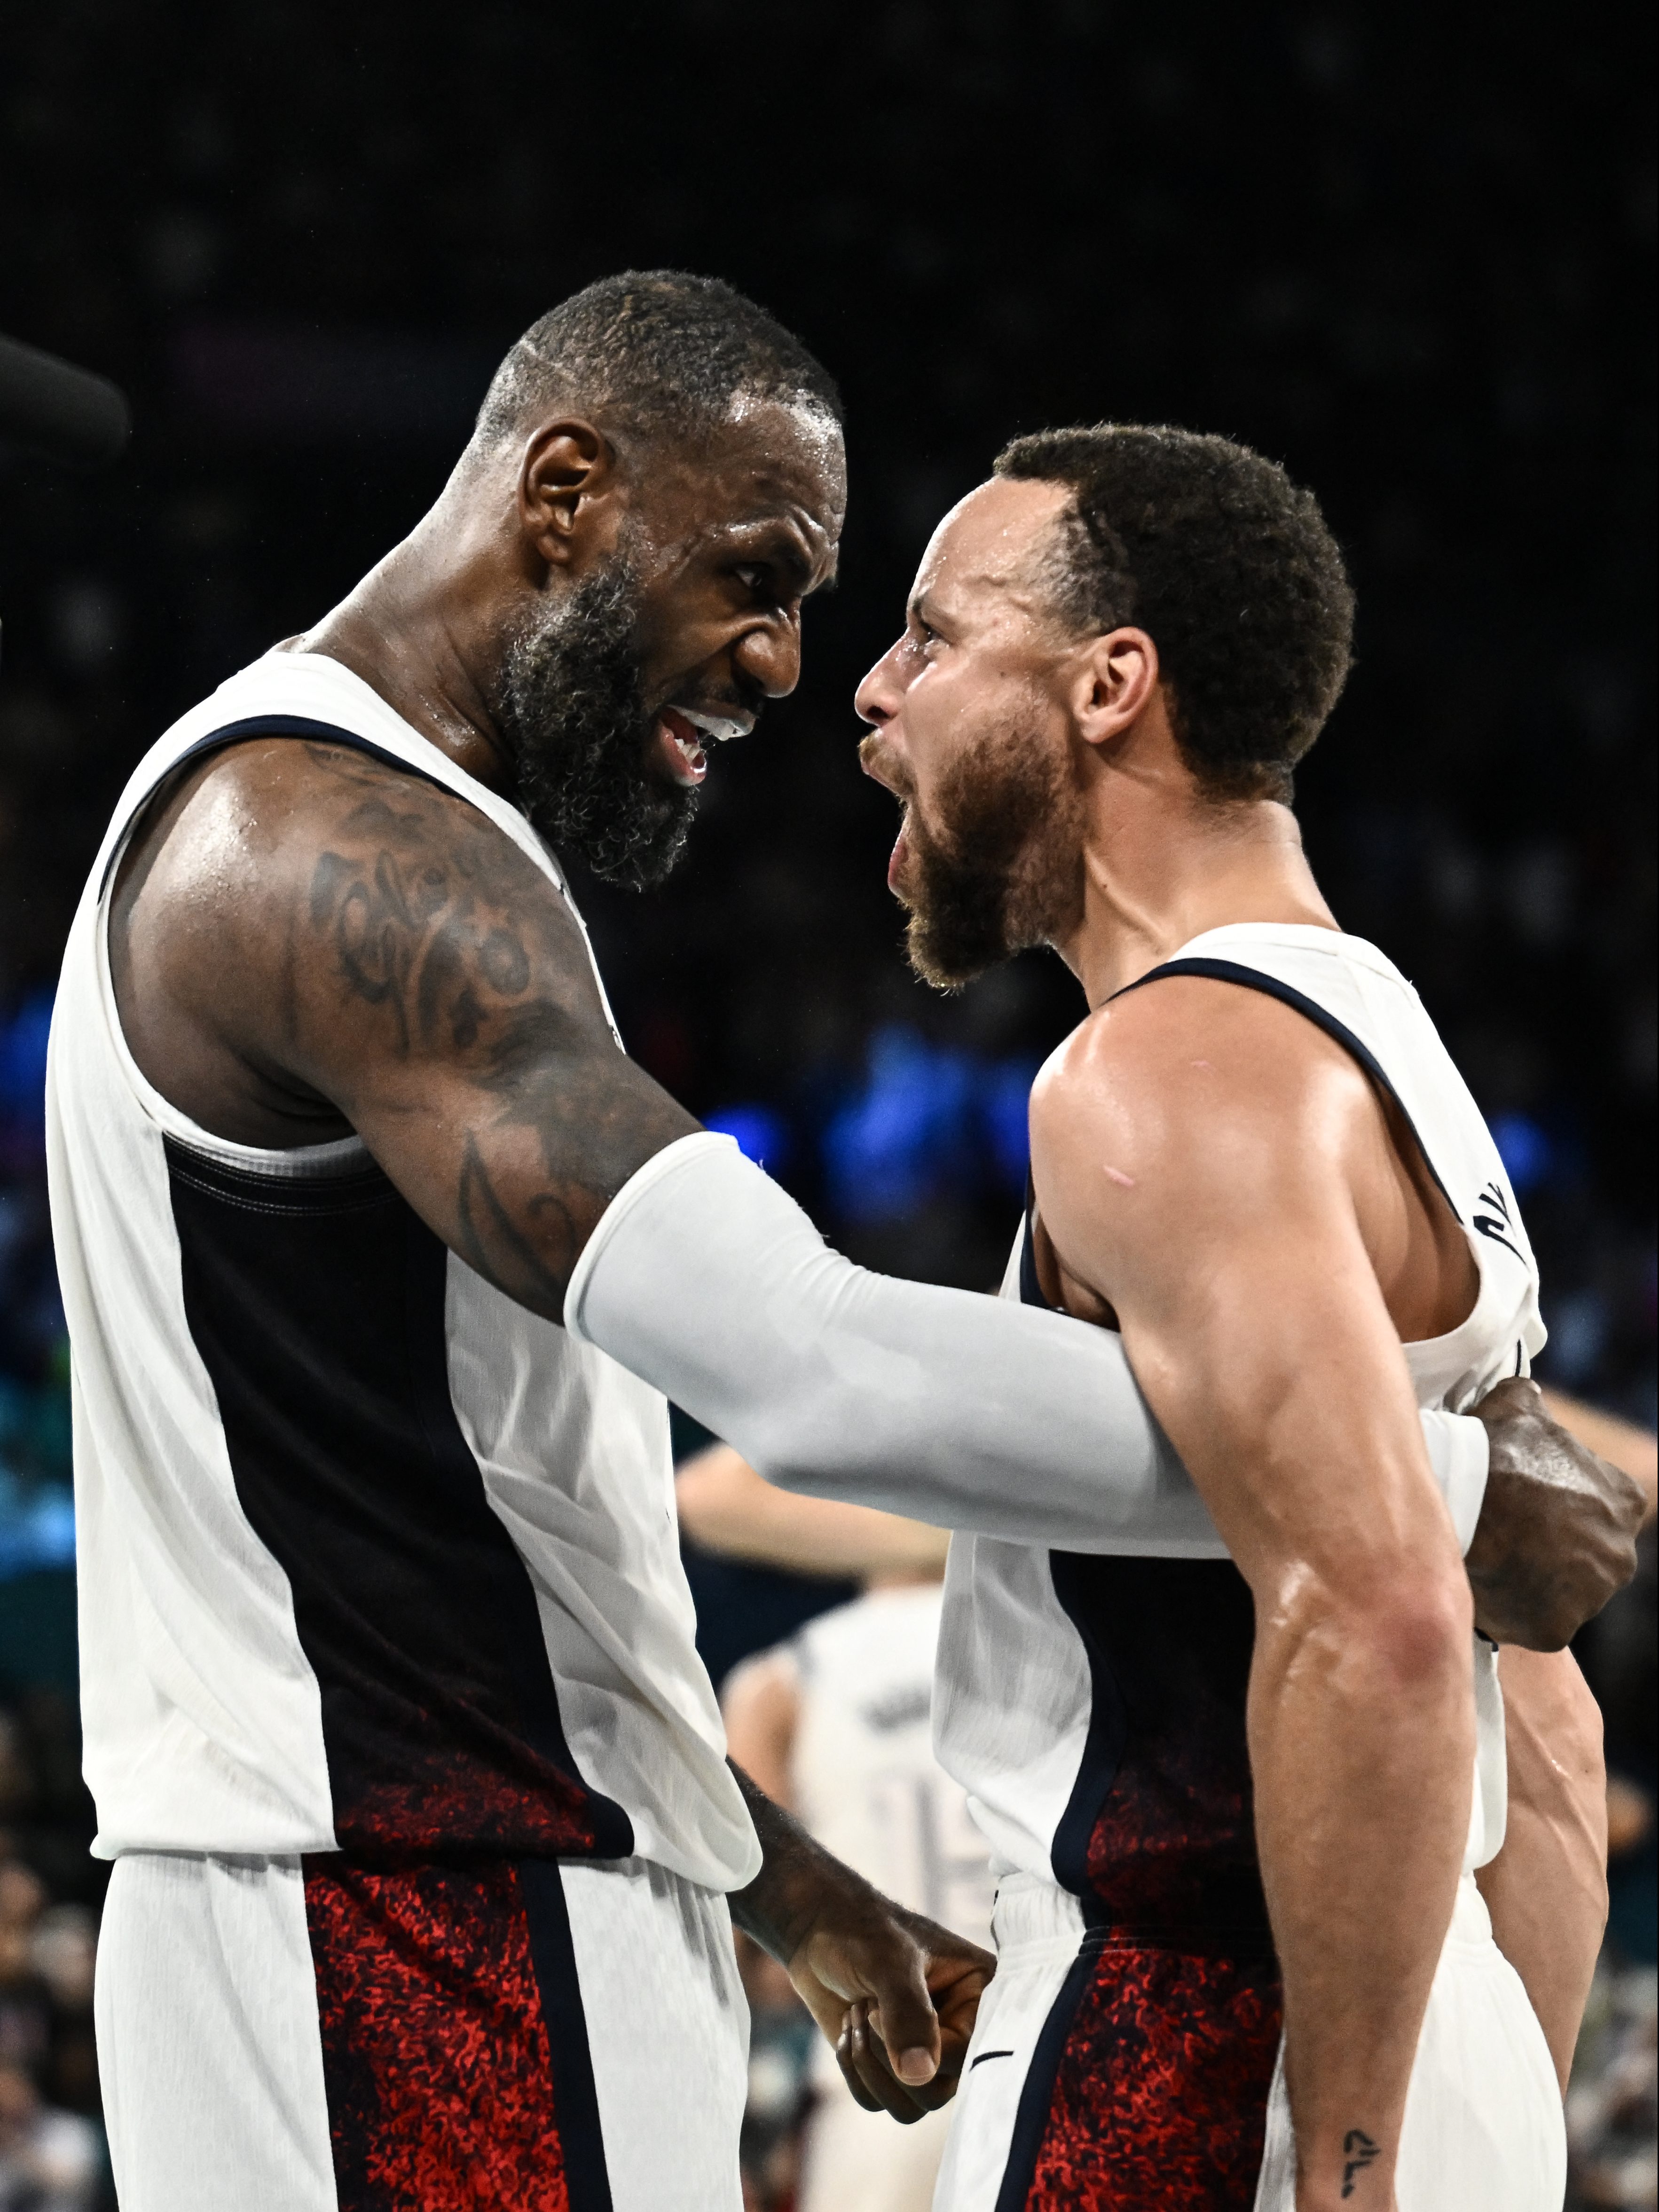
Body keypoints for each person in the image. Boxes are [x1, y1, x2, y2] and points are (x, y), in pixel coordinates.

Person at [45, 265, 1638, 2212]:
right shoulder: (322, 855)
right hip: (399, 1926)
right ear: (566, 497)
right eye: (762, 576)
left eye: (867, 615)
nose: (806, 671)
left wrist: (769, 1873)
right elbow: (802, 1366)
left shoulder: (436, 857)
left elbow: (508, 1527)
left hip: (478, 1905)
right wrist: (1439, 1478)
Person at [835, 425, 1612, 2210]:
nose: (874, 695)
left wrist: (1342, 2168)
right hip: (1450, 2029)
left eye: (934, 637)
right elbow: (1544, 1707)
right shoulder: (1377, 1034)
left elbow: (1387, 1619)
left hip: (1200, 2052)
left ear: (1112, 684)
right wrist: (1462, 2120)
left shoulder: (1165, 1071)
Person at [692, 1447, 990, 2212]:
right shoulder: (1061, 1660)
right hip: (1045, 2051)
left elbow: (741, 1944)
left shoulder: (783, 1680)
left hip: (885, 2079)